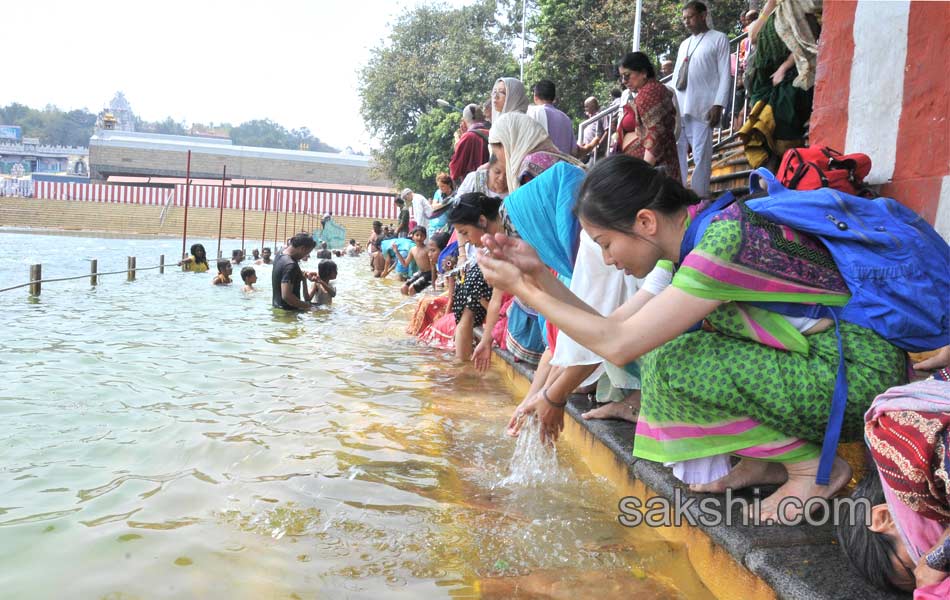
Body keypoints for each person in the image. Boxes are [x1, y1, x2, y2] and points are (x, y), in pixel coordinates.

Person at [477, 154, 906, 521]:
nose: (607, 259)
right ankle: (768, 459)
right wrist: (536, 275)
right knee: (662, 350)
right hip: (827, 367)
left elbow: (620, 342)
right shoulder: (693, 238)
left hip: (857, 376)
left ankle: (813, 471)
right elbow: (612, 325)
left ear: (644, 222)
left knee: (671, 363)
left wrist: (526, 289)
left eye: (606, 244)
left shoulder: (722, 243)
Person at [837, 349, 950, 596]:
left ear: (884, 518)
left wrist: (933, 562)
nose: (930, 578)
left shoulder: (913, 448)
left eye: (913, 568)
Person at [739, 0, 820, 169]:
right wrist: (770, 6)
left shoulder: (801, 5)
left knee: (782, 125)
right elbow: (753, 36)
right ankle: (775, 179)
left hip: (792, 77)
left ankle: (792, 173)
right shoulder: (773, 9)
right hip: (765, 81)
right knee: (762, 133)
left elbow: (806, 43)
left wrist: (783, 68)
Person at [671, 0, 731, 197]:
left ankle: (700, 197)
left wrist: (718, 104)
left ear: (703, 15)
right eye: (684, 19)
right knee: (678, 151)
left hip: (703, 106)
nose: (687, 22)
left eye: (690, 17)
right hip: (680, 106)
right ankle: (679, 194)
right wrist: (671, 106)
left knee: (701, 155)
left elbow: (724, 74)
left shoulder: (719, 38)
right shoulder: (684, 44)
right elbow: (675, 77)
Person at [615, 52, 681, 179]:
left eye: (627, 75)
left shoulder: (651, 92)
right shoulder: (645, 91)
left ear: (643, 72)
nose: (624, 81)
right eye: (621, 77)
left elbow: (655, 135)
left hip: (653, 171)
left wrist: (645, 170)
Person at [526, 79, 576, 155]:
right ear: (554, 98)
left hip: (539, 165)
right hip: (562, 165)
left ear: (535, 97)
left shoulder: (531, 112)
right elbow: (573, 151)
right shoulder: (566, 119)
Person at [272, 232, 317, 311]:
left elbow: (283, 274)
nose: (305, 256)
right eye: (307, 253)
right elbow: (287, 296)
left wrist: (302, 275)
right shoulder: (290, 265)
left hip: (277, 308)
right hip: (288, 313)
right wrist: (309, 307)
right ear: (302, 248)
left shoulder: (280, 253)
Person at [449, 104, 491, 186]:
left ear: (464, 122)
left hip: (476, 188)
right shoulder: (492, 132)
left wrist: (458, 144)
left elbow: (454, 171)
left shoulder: (468, 137)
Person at [397, 226, 434, 296]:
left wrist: (435, 278)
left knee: (412, 288)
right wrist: (397, 252)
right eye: (417, 235)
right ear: (413, 236)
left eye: (422, 235)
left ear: (425, 237)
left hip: (429, 274)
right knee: (403, 288)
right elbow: (405, 264)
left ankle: (414, 305)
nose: (419, 238)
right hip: (421, 272)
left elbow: (434, 264)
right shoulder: (412, 250)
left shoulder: (428, 249)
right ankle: (407, 305)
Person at [575, 96, 609, 163]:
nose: (585, 109)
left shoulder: (601, 115)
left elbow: (607, 130)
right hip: (586, 150)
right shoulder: (591, 118)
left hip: (596, 151)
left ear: (593, 106)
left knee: (591, 171)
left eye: (587, 106)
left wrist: (598, 144)